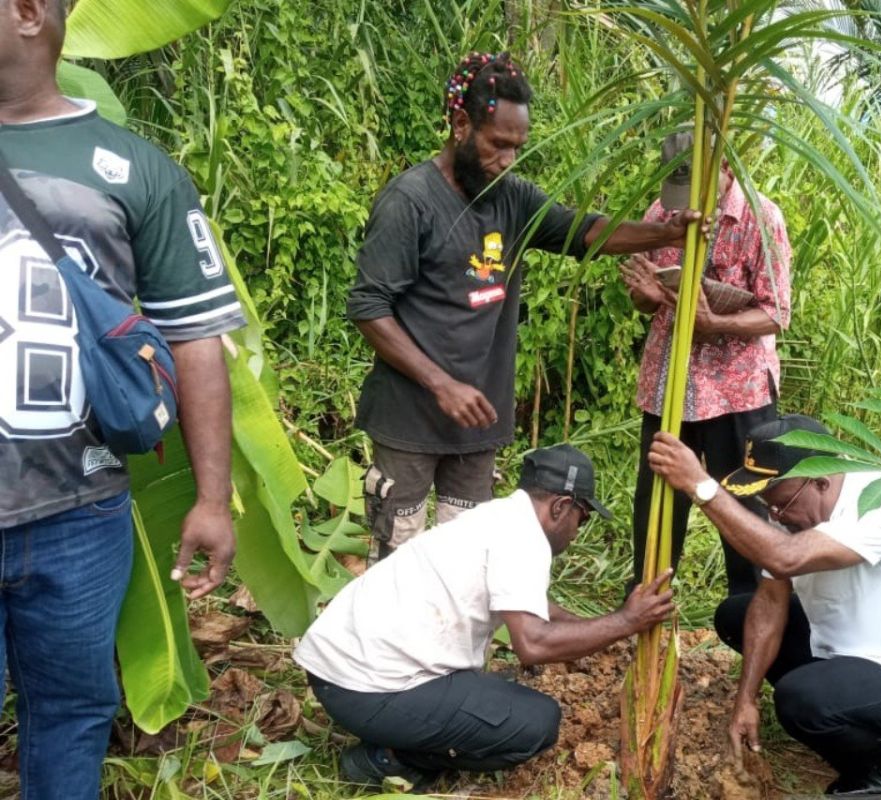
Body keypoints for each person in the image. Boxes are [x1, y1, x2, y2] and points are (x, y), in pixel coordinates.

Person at [0, 1, 244, 798]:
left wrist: (212, 499)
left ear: (28, 12)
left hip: (81, 516)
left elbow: (194, 339)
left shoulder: (135, 169)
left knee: (73, 712)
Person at [348, 52, 702, 561]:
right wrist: (441, 384)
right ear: (461, 125)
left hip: (477, 426)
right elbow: (369, 306)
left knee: (466, 562)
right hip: (408, 422)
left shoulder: (513, 198)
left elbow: (586, 231)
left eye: (517, 147)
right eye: (498, 145)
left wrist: (665, 233)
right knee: (399, 560)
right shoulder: (411, 201)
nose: (508, 160)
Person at [294, 444, 676, 792]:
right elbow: (532, 645)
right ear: (560, 507)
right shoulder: (523, 541)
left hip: (339, 672)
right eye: (583, 517)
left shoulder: (501, 518)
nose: (578, 530)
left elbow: (537, 607)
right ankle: (388, 758)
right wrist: (625, 623)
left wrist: (613, 625)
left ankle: (396, 733)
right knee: (536, 722)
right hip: (362, 689)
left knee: (501, 692)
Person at [647, 415, 881, 797]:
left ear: (821, 482)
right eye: (767, 505)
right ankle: (837, 707)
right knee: (736, 614)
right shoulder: (793, 511)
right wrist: (745, 699)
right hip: (842, 652)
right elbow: (770, 600)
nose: (776, 516)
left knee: (799, 699)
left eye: (782, 504)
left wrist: (701, 487)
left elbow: (785, 558)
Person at [620, 131, 791, 598]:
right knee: (656, 508)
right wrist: (647, 295)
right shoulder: (660, 215)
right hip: (668, 383)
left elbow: (777, 313)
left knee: (743, 509)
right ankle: (648, 610)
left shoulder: (760, 218)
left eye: (699, 188)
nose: (688, 204)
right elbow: (642, 300)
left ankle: (751, 613)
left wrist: (714, 323)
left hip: (737, 393)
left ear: (726, 170)